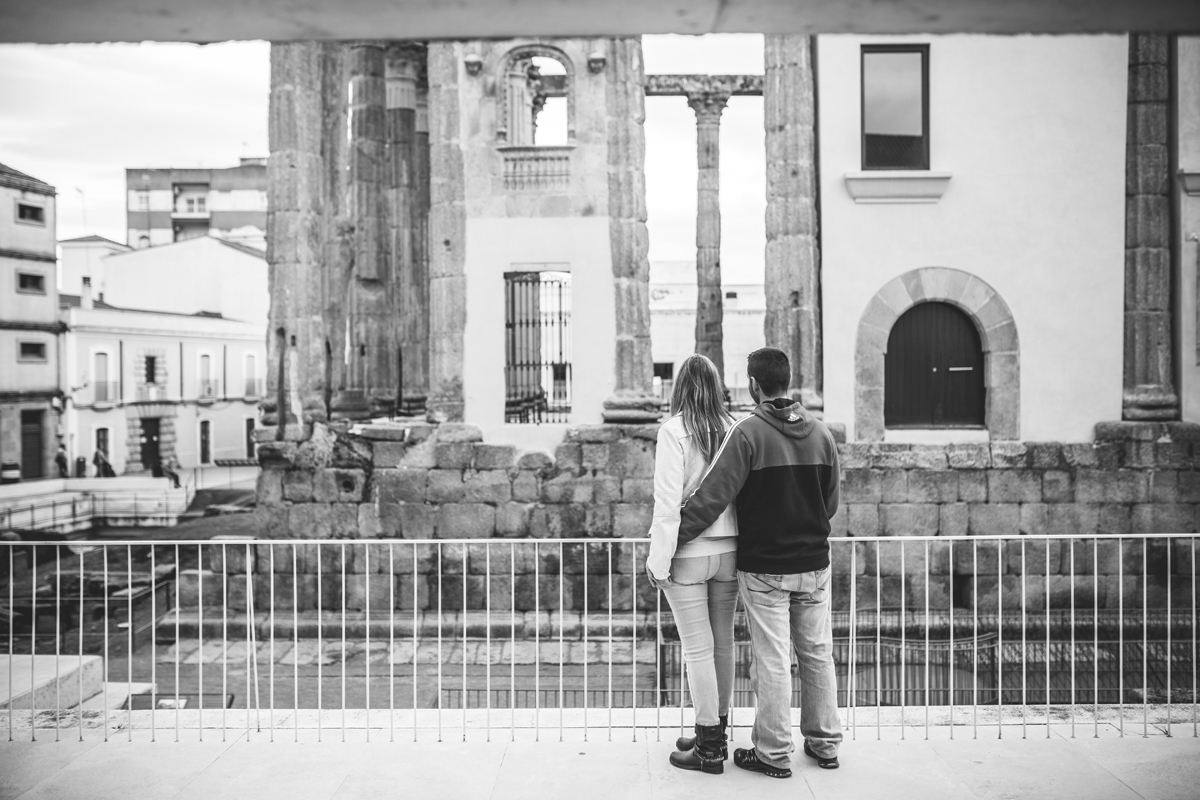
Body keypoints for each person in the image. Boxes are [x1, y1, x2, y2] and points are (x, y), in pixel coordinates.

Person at [676, 346, 842, 779]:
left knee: (771, 659)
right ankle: (825, 744)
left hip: (766, 565)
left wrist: (669, 541)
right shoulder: (822, 434)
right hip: (815, 563)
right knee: (817, 653)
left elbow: (712, 497)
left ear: (753, 385)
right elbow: (831, 503)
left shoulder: (747, 434)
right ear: (788, 380)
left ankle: (772, 753)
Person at [645, 354, 739, 775]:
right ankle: (716, 728)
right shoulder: (735, 428)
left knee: (697, 648)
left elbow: (667, 504)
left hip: (689, 553)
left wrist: (658, 560)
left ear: (679, 388)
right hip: (731, 551)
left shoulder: (674, 431)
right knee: (723, 643)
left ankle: (708, 746)